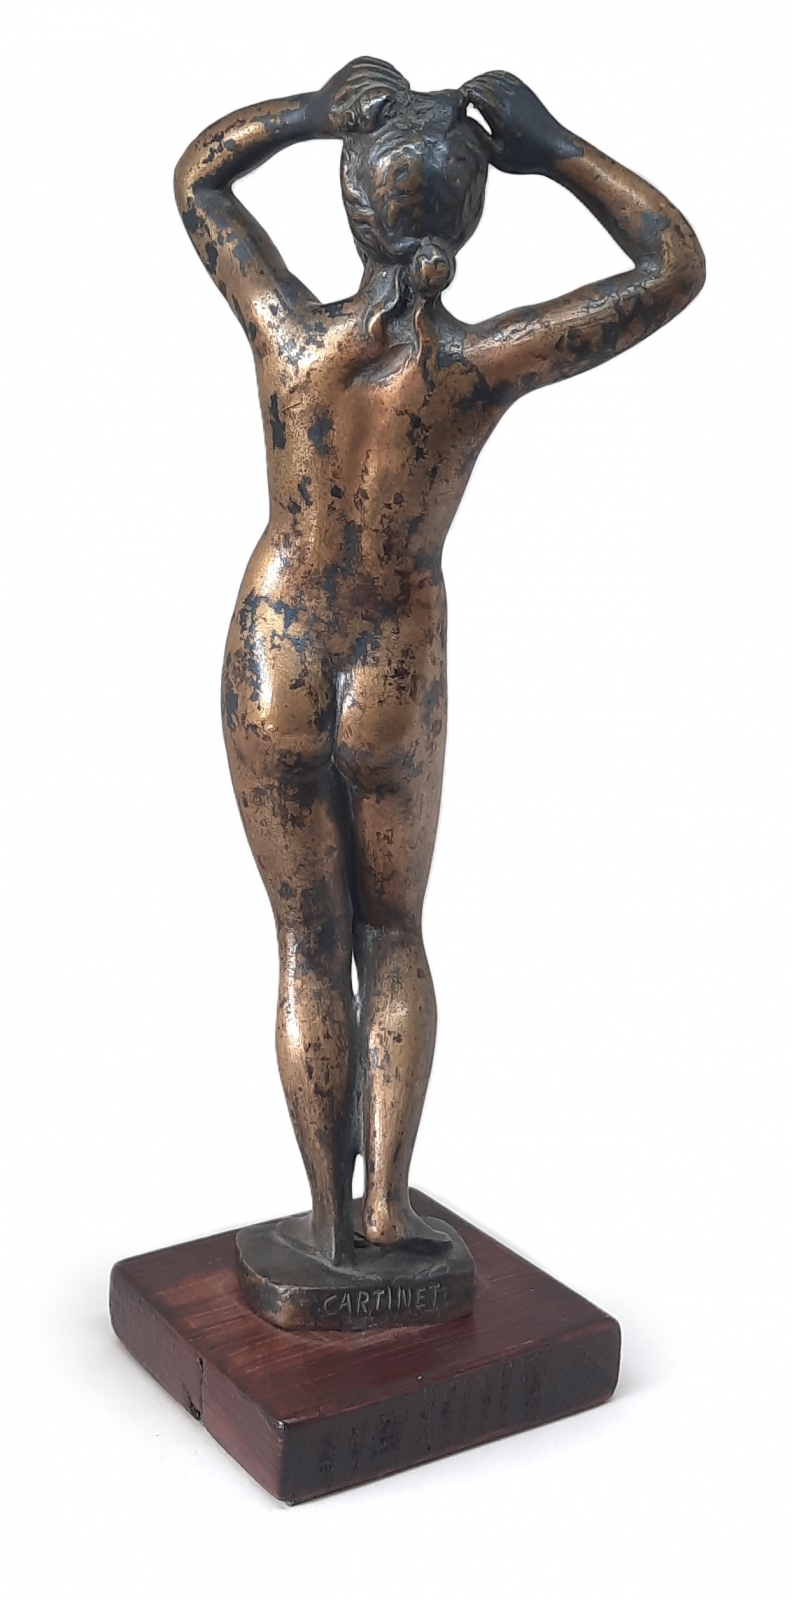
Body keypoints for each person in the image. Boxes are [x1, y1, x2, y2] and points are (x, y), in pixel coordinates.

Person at [175, 59, 705, 1265]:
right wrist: (555, 145)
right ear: (468, 213)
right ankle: (383, 1209)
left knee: (309, 943)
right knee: (393, 936)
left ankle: (325, 1217)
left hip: (276, 646)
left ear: (354, 205)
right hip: (393, 662)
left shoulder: (288, 333)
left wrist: (310, 114)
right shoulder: (477, 364)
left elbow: (199, 178)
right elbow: (671, 266)